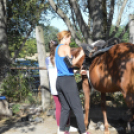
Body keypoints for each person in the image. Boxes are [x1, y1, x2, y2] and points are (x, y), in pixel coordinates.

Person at [55, 30, 91, 134]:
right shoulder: (66, 47)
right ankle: (84, 132)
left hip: (60, 81)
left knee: (65, 108)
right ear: (65, 37)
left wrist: (76, 71)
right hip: (68, 82)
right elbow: (71, 63)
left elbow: (65, 66)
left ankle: (61, 131)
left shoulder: (57, 48)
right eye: (69, 37)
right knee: (77, 108)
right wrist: (81, 54)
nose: (70, 40)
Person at [45, 40, 75, 134]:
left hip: (53, 86)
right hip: (63, 84)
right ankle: (65, 128)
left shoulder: (47, 59)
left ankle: (60, 128)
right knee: (66, 108)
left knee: (58, 107)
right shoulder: (60, 58)